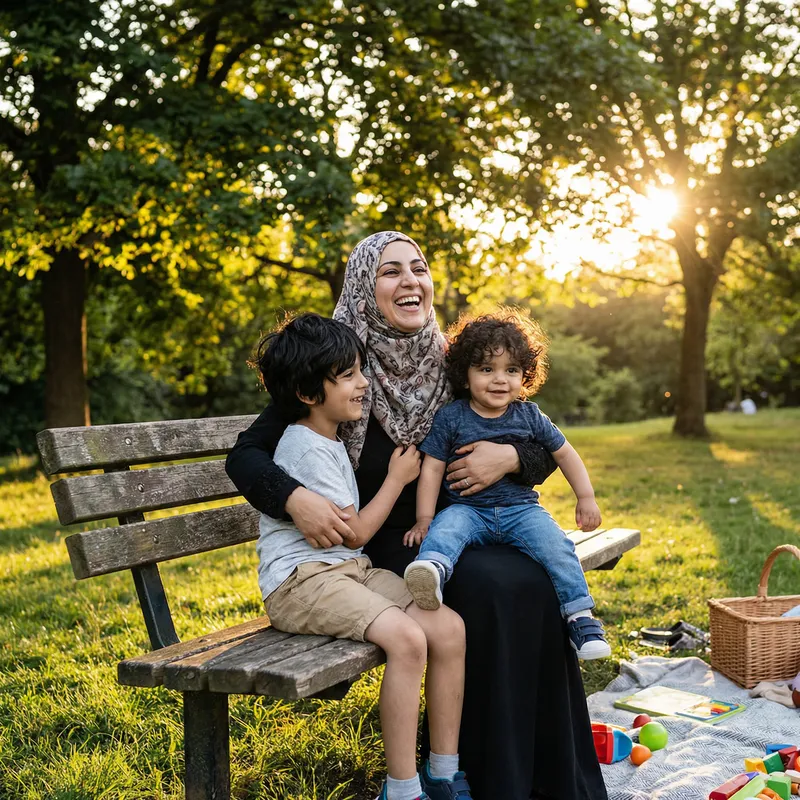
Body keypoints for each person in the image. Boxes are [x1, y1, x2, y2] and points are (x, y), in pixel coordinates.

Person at [226, 231, 609, 800]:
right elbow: (246, 455)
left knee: (530, 580)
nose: (410, 281)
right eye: (390, 272)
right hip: (382, 541)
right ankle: (478, 773)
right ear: (363, 288)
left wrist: (511, 458)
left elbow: (521, 421)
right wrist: (293, 498)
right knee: (489, 589)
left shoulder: (449, 362)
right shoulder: (338, 368)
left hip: (463, 522)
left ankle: (548, 775)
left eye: (419, 268)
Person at [252, 312, 471, 800]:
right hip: (302, 584)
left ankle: (444, 771)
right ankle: (402, 788)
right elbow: (353, 534)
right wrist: (397, 481)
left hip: (349, 574)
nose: (363, 383)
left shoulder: (328, 439)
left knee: (447, 628)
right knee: (409, 640)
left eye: (360, 370)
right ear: (309, 394)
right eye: (348, 375)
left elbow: (351, 551)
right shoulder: (305, 447)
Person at [402, 312, 610, 660]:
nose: (500, 380)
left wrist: (585, 497)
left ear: (524, 375)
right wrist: (424, 519)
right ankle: (432, 573)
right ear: (465, 376)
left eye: (511, 370)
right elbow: (433, 469)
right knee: (445, 530)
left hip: (521, 510)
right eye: (487, 369)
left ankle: (580, 617)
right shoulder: (452, 416)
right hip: (468, 510)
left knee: (557, 546)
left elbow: (565, 453)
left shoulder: (529, 415)